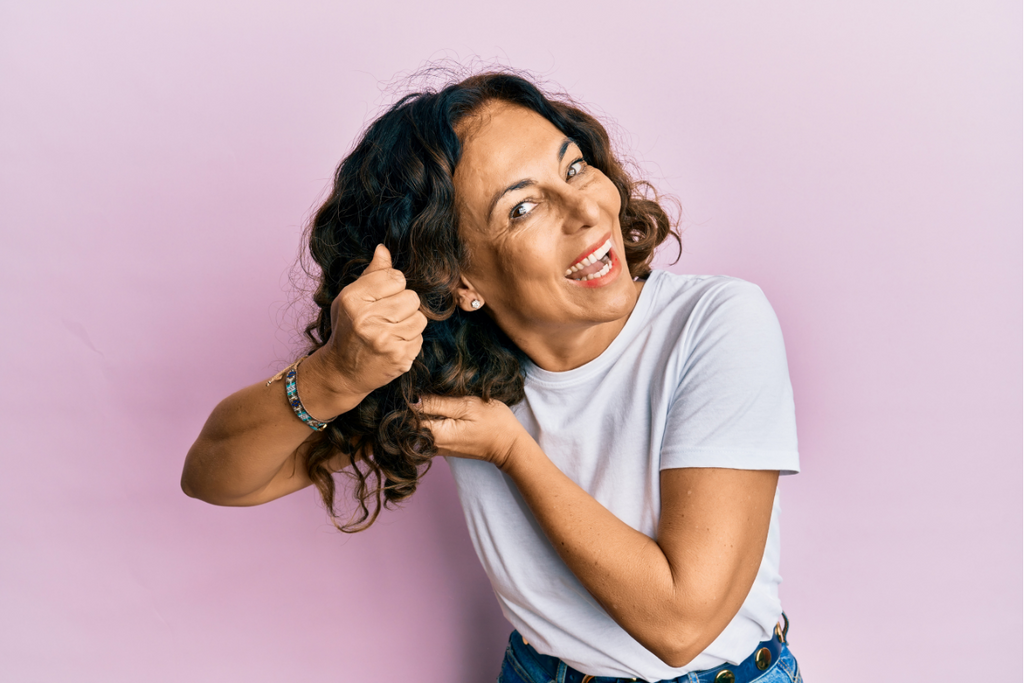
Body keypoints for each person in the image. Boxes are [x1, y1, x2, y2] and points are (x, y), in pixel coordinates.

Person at [181, 70, 803, 683]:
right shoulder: (454, 376)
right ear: (460, 279)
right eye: (523, 207)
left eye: (575, 167)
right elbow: (218, 477)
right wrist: (335, 375)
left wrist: (511, 451)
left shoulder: (716, 323)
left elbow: (682, 624)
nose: (586, 208)